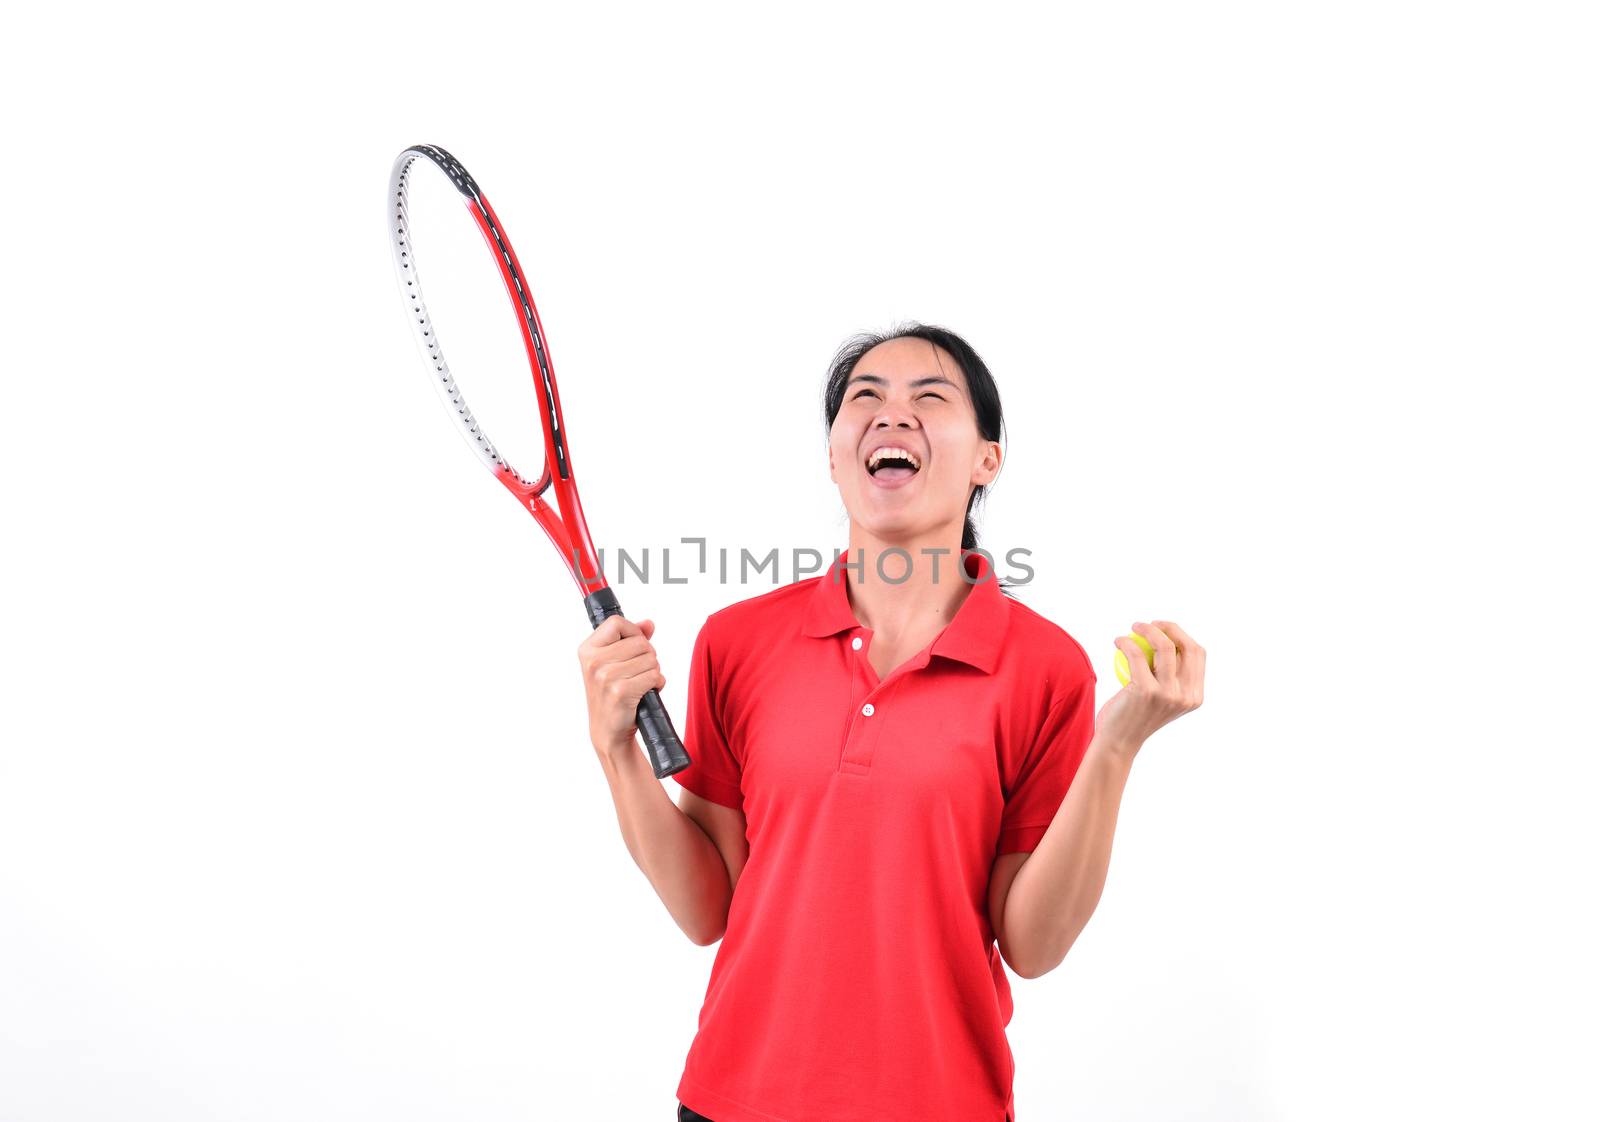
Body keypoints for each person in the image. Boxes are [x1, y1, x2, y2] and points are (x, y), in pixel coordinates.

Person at [579, 324, 1206, 1121]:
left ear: (988, 460)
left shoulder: (1044, 668)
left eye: (930, 398)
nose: (889, 415)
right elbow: (708, 908)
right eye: (863, 399)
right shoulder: (736, 642)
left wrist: (1116, 747)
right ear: (835, 457)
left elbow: (1034, 946)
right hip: (734, 1100)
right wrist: (617, 754)